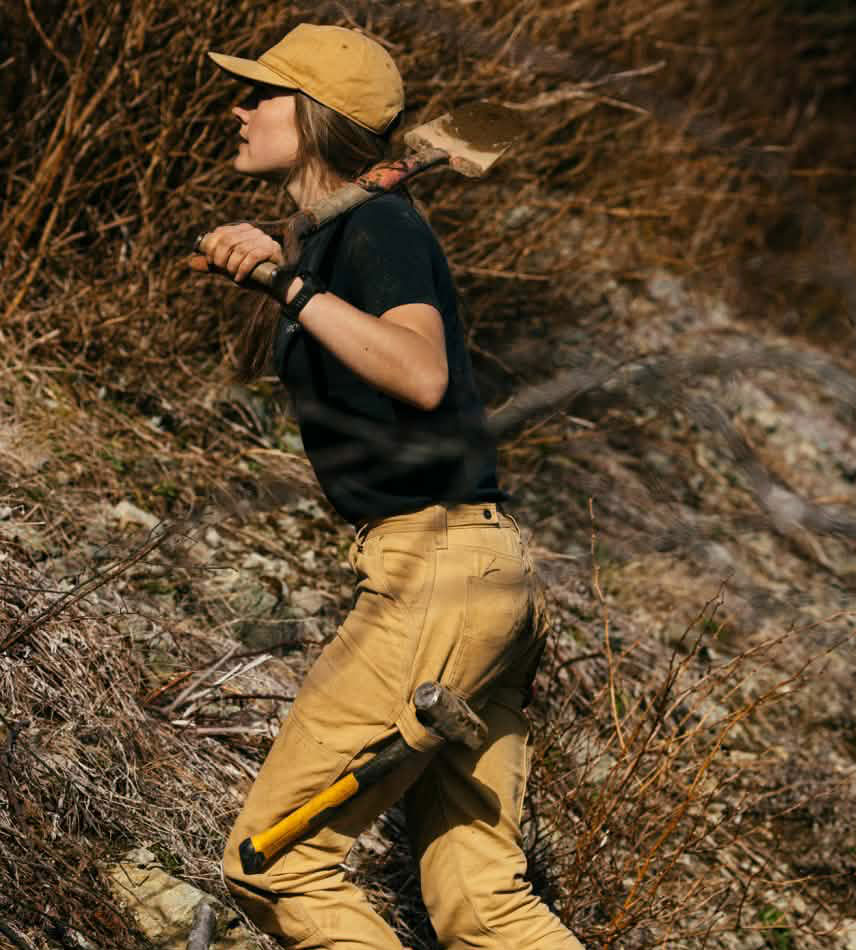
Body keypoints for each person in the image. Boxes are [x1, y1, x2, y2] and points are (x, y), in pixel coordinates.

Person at [196, 23, 584, 950]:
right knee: (482, 906)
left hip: (436, 574)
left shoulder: (381, 228)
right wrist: (286, 255)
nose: (238, 109)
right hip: (482, 576)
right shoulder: (349, 229)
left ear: (315, 116)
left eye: (262, 93)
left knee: (275, 862)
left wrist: (289, 287)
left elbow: (420, 372)